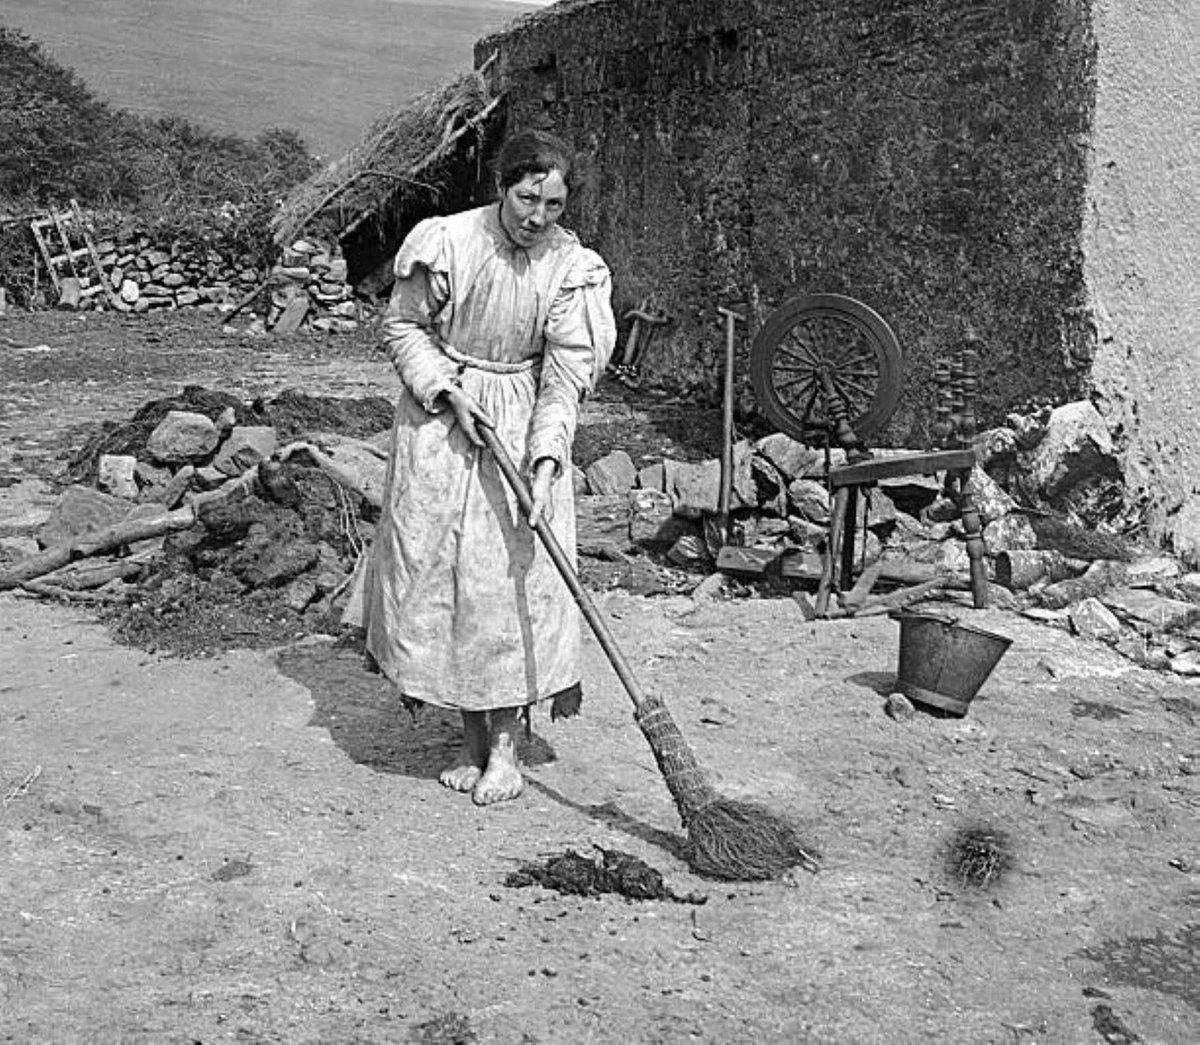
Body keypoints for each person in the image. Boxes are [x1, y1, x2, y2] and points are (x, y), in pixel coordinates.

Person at [359, 128, 616, 806]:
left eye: (553, 205)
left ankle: (507, 749)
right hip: (442, 424)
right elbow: (403, 326)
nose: (537, 217)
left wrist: (546, 458)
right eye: (527, 198)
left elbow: (567, 373)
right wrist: (446, 389)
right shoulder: (447, 241)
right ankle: (472, 741)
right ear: (503, 187)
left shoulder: (572, 267)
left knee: (509, 583)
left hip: (520, 422)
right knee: (448, 580)